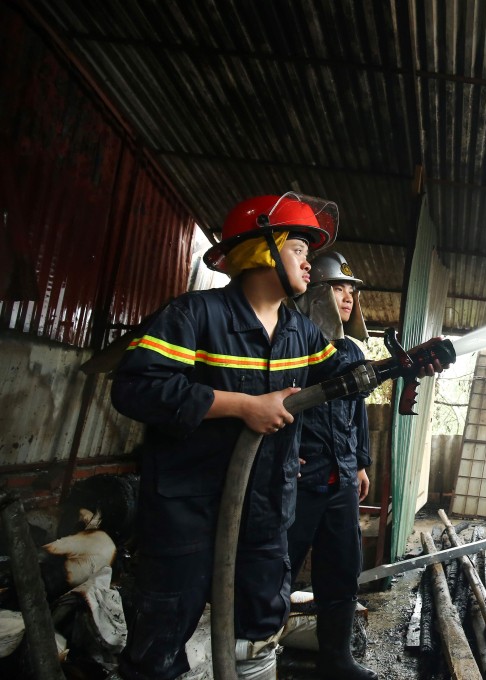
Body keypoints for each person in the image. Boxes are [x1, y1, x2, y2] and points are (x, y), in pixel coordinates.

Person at [111, 193, 362, 679]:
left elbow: (342, 379)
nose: (309, 266)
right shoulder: (194, 316)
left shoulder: (300, 332)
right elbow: (136, 388)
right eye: (298, 252)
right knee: (160, 641)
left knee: (259, 631)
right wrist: (243, 407)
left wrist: (405, 363)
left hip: (266, 515)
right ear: (262, 250)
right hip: (187, 514)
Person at [289, 251, 377, 679]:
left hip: (340, 481)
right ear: (318, 294)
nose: (348, 298)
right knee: (276, 569)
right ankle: (256, 653)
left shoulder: (350, 350)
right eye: (339, 289)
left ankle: (336, 661)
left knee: (342, 572)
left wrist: (360, 463)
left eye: (351, 291)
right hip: (298, 481)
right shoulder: (296, 340)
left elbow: (356, 414)